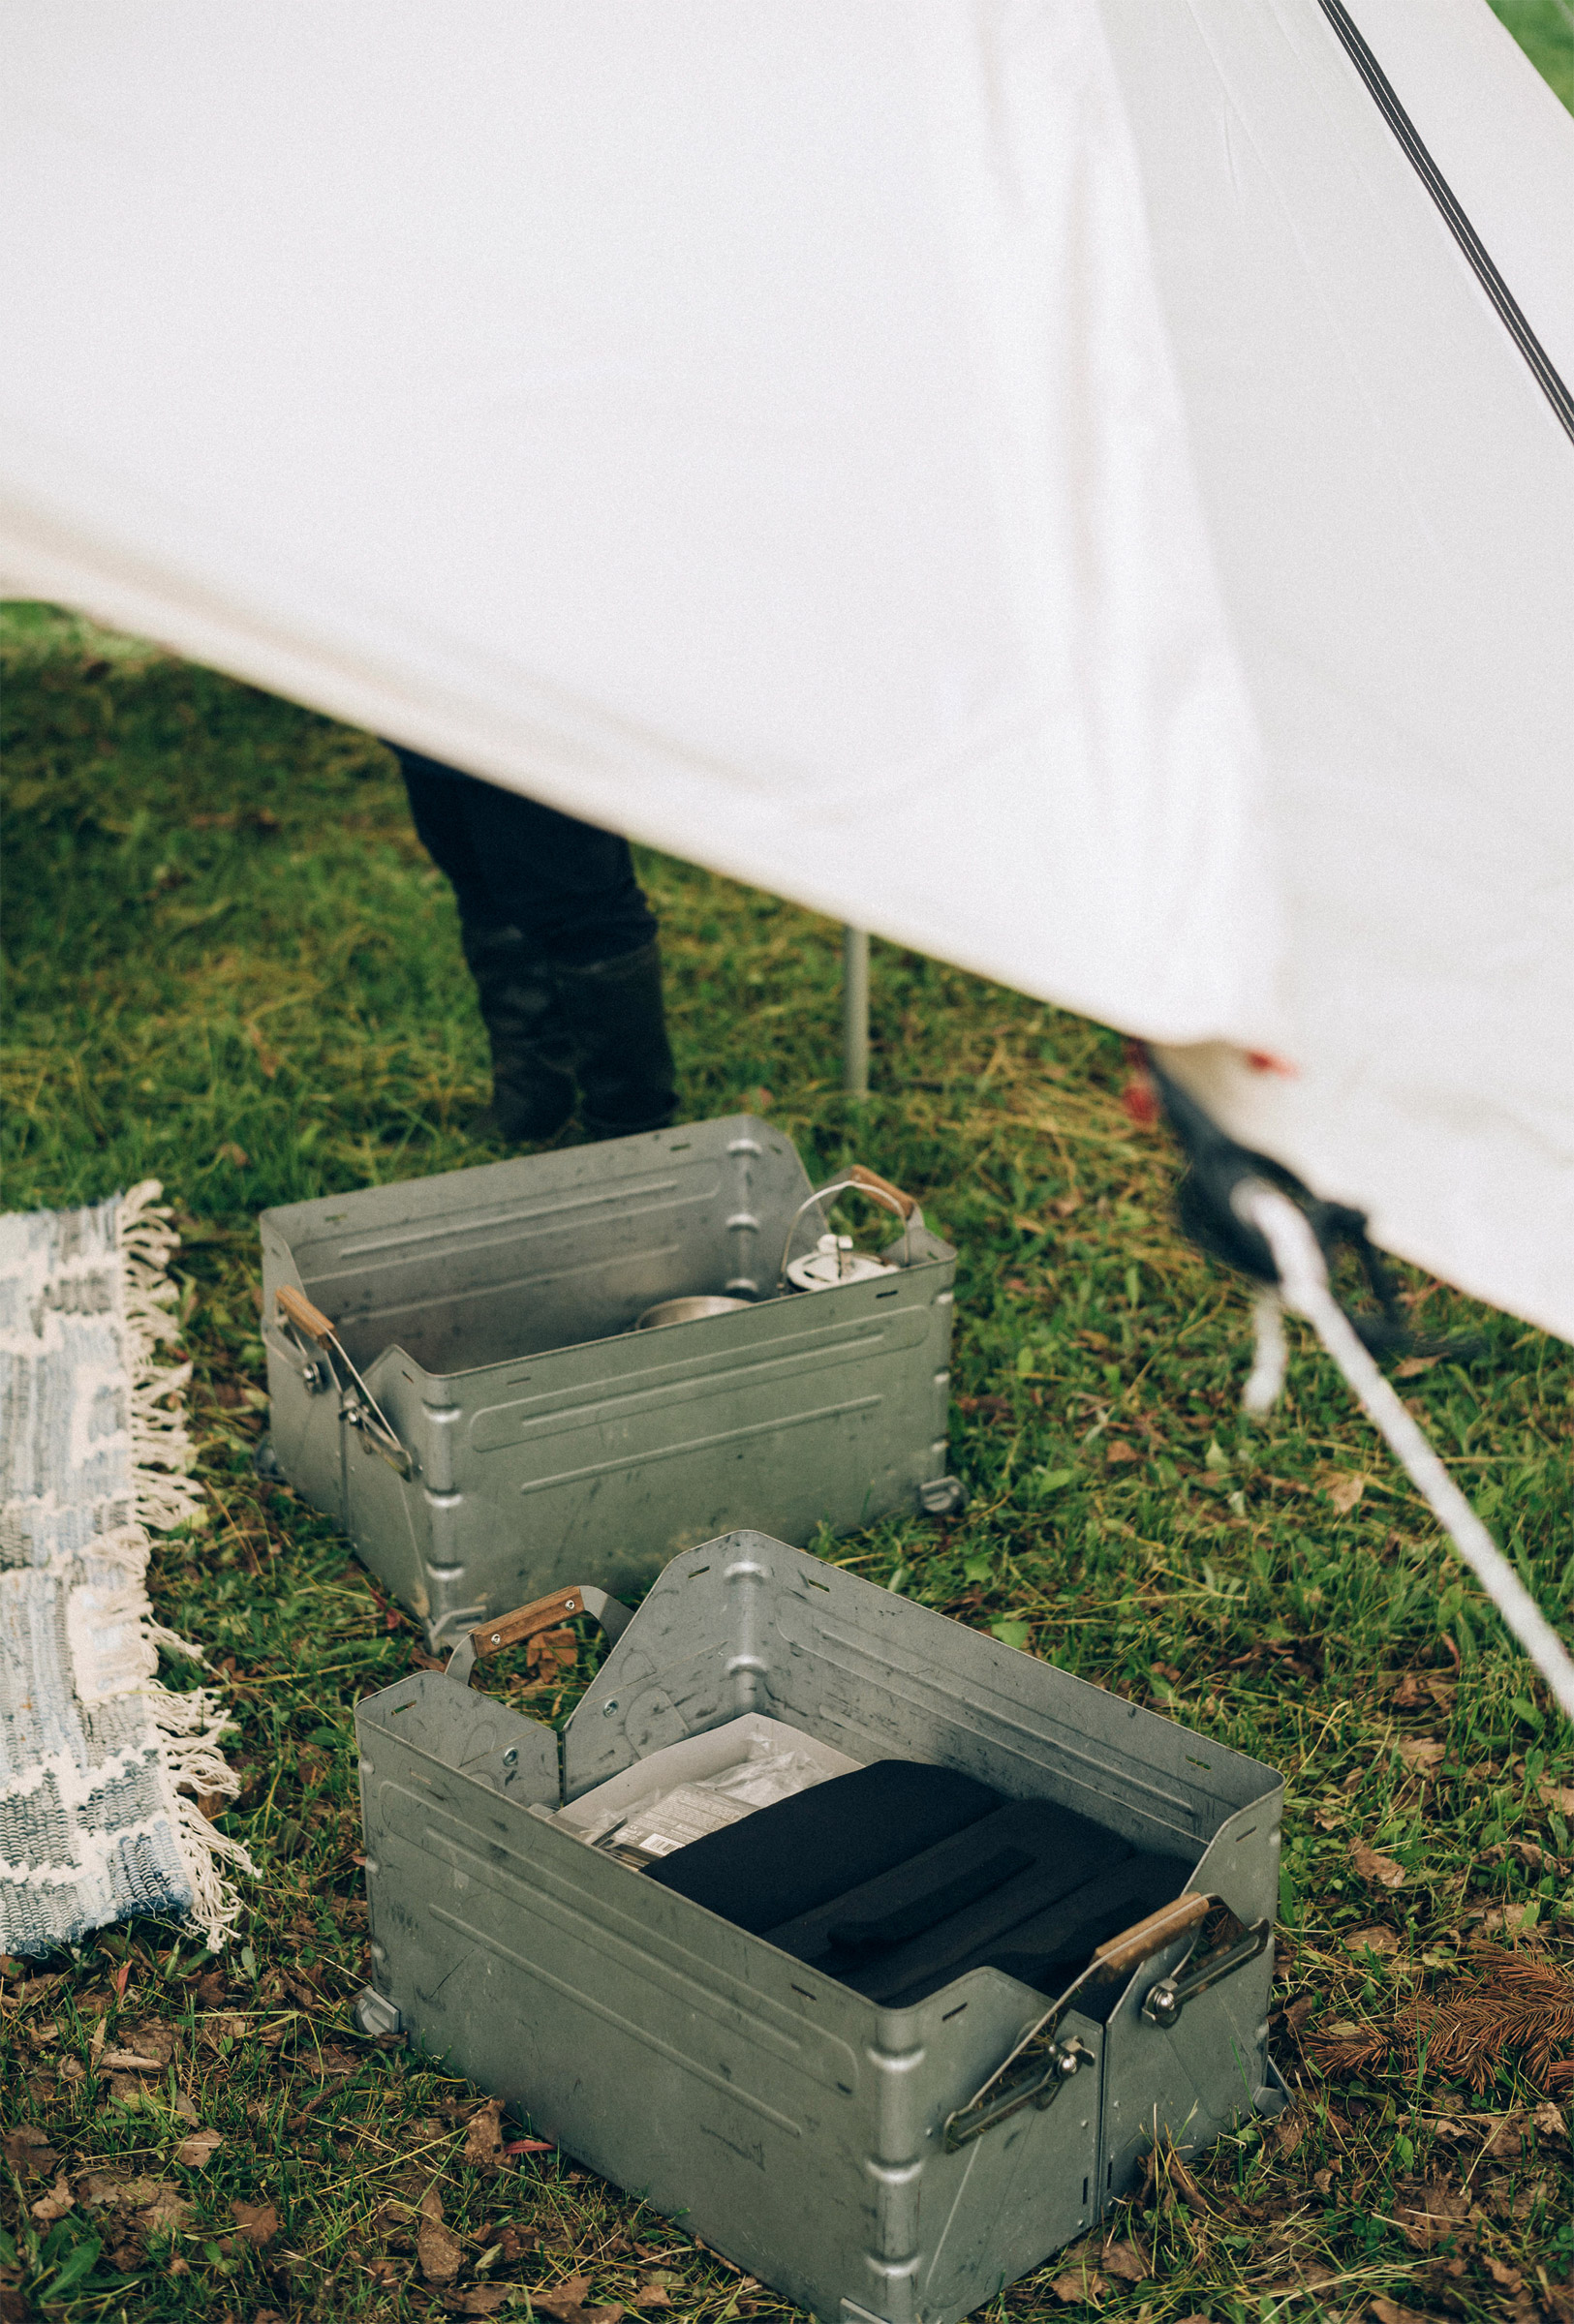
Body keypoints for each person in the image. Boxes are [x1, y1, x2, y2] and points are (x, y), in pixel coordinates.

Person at [391, 745, 677, 1145]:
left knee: (584, 906)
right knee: (482, 886)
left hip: (525, 726)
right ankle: (532, 1099)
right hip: (425, 717)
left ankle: (629, 1122)